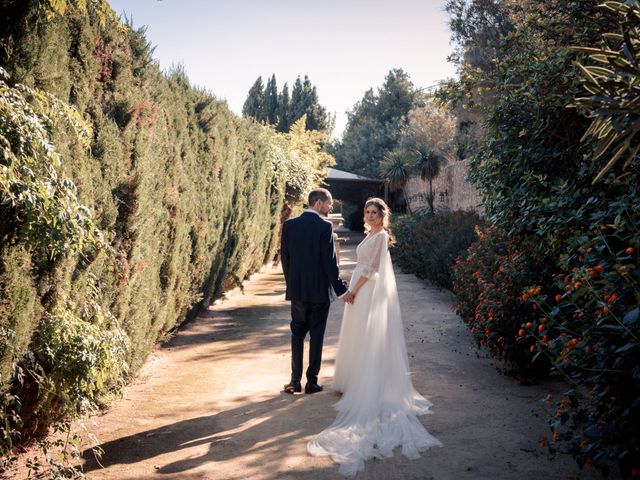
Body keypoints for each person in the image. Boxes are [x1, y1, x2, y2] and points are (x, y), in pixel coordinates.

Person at [307, 197, 442, 476]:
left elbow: (373, 269)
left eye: (374, 212)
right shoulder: (371, 233)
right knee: (356, 334)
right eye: (367, 212)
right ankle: (353, 378)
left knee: (368, 334)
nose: (369, 216)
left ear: (383, 215)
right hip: (361, 285)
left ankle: (370, 383)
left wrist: (354, 289)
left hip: (367, 289)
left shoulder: (381, 237)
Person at [280, 188, 354, 395]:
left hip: (298, 291)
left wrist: (292, 284)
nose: (330, 208)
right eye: (329, 204)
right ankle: (312, 382)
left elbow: (285, 259)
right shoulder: (324, 227)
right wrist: (341, 290)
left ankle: (294, 382)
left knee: (297, 335)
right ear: (319, 203)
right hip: (320, 292)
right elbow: (330, 264)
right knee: (317, 337)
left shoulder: (289, 226)